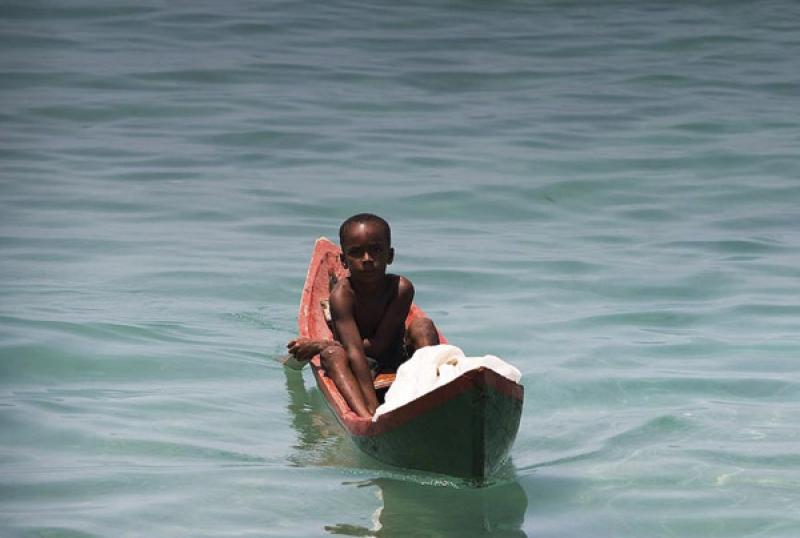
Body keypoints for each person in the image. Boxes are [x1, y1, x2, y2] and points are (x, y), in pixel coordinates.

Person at [287, 213, 440, 418]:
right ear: (343, 260)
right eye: (356, 253)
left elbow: (381, 344)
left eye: (376, 250)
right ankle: (365, 417)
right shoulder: (342, 296)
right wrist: (374, 409)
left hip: (394, 356)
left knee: (423, 326)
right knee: (332, 356)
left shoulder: (401, 288)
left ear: (390, 255)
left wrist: (323, 344)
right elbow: (356, 354)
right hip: (357, 362)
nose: (367, 259)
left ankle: (432, 394)